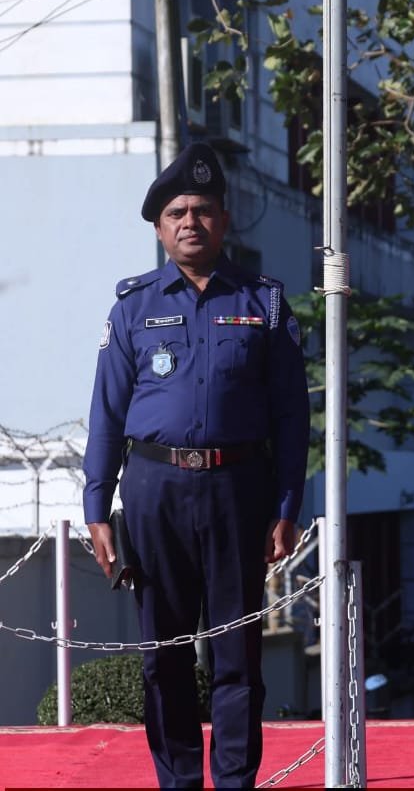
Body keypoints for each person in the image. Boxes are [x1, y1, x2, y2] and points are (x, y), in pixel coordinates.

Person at [82, 142, 310, 788]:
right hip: (155, 490)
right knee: (165, 653)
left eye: (203, 209)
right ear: (159, 226)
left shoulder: (264, 304)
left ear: (224, 220)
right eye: (177, 211)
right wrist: (96, 506)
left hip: (240, 487)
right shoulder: (132, 308)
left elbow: (294, 417)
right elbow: (106, 412)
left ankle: (235, 779)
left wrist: (288, 506)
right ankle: (178, 778)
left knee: (238, 653)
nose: (190, 221)